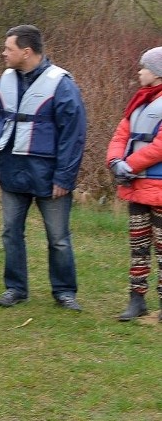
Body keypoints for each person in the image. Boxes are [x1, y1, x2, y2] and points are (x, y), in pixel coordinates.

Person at [0, 24, 86, 311]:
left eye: (8, 49)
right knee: (11, 233)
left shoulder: (61, 84)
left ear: (26, 52)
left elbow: (73, 136)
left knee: (58, 238)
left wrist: (64, 177)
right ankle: (15, 288)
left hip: (49, 176)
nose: (3, 53)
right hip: (11, 171)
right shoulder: (5, 80)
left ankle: (64, 292)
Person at [106, 46, 162, 322]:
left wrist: (130, 165)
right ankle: (136, 300)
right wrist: (115, 161)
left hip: (159, 189)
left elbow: (160, 147)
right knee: (138, 246)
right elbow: (120, 135)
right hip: (136, 187)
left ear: (157, 73)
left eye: (143, 67)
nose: (139, 72)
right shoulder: (138, 103)